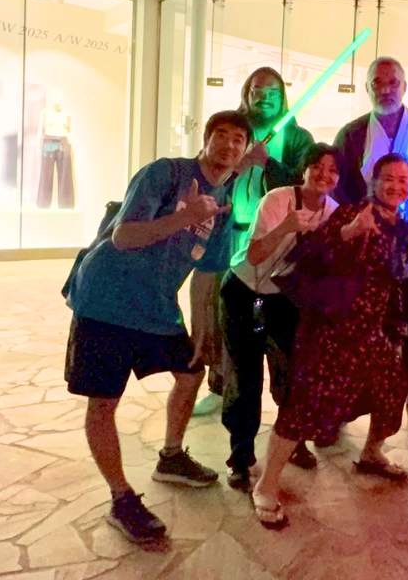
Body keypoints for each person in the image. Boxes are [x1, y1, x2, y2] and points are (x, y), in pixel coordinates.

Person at [64, 111, 249, 545]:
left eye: (239, 139)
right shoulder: (165, 174)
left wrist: (201, 331)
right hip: (106, 300)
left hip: (156, 306)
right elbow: (123, 237)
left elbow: (207, 272)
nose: (229, 144)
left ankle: (171, 457)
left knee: (191, 372)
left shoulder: (223, 205)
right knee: (103, 402)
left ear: (243, 152)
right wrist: (184, 217)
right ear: (205, 140)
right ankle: (121, 498)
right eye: (221, 135)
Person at [249, 153, 408, 530]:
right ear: (373, 182)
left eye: (403, 180)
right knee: (303, 405)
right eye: (388, 178)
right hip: (331, 329)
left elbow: (391, 280)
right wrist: (348, 233)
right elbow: (309, 253)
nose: (396, 186)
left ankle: (371, 453)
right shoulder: (351, 213)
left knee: (391, 390)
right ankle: (266, 484)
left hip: (372, 332)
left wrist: (395, 325)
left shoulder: (401, 227)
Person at [333, 57, 408, 451]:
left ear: (404, 86)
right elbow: (341, 193)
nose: (386, 89)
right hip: (369, 250)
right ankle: (343, 410)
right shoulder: (352, 134)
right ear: (367, 87)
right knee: (360, 334)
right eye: (377, 83)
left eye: (393, 82)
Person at [192, 68, 318, 417]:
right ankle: (220, 385)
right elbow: (208, 172)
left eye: (272, 92)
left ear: (282, 97)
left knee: (273, 318)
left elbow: (304, 184)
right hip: (229, 233)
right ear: (247, 93)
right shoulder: (234, 131)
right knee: (224, 313)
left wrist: (268, 163)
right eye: (257, 91)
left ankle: (285, 398)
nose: (264, 98)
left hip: (275, 239)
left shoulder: (297, 137)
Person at [219, 144, 341, 490]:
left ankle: (292, 441)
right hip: (249, 297)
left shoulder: (333, 211)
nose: (324, 174)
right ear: (303, 169)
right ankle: (241, 457)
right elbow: (255, 255)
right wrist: (287, 225)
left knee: (292, 373)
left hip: (285, 300)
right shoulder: (278, 199)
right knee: (246, 375)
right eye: (317, 166)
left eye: (332, 169)